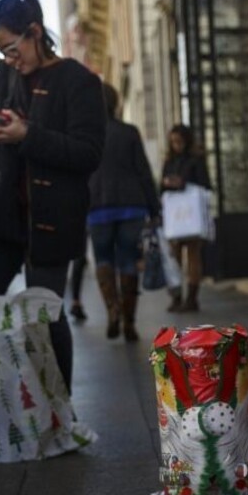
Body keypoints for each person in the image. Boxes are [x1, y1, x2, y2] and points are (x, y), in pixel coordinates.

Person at [0, 0, 105, 390]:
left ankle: (58, 409)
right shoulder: (3, 75)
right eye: (0, 52)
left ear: (34, 31)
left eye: (12, 48)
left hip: (53, 218)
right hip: (2, 215)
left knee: (44, 317)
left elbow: (88, 153)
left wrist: (26, 134)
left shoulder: (77, 80)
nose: (9, 59)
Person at [89, 83, 159, 341]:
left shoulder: (88, 134)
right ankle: (130, 321)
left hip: (97, 205)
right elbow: (143, 171)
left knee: (103, 259)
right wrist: (154, 207)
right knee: (129, 260)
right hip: (132, 204)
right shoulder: (129, 132)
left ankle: (112, 310)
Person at [160, 124, 210, 313]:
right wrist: (167, 184)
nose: (176, 145)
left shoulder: (196, 160)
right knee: (174, 257)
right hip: (175, 215)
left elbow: (204, 184)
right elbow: (162, 187)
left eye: (179, 141)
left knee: (193, 256)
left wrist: (182, 183)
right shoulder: (169, 161)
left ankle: (191, 297)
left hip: (191, 214)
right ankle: (177, 295)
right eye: (173, 142)